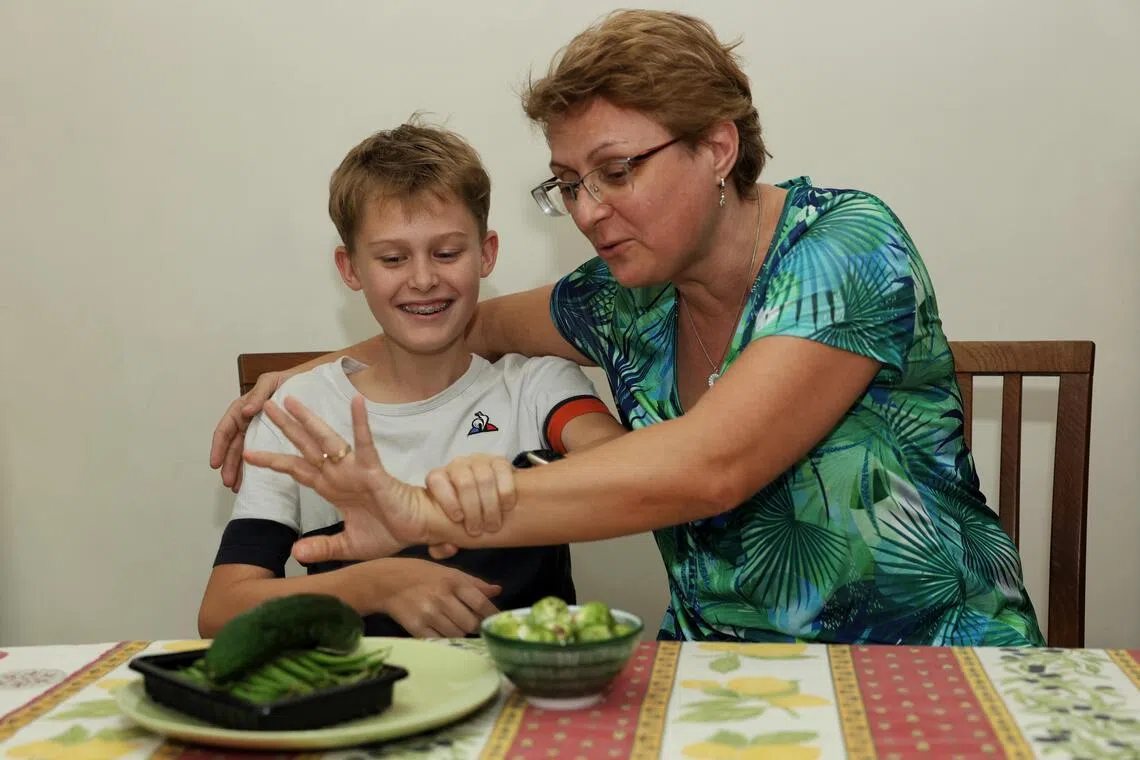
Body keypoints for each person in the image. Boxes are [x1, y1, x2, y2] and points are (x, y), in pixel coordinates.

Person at [213, 10, 1044, 647]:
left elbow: (708, 469)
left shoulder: (846, 247)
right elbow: (464, 320)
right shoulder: (624, 292)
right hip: (714, 674)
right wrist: (311, 372)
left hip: (931, 662)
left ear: (718, 146)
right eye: (567, 183)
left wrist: (425, 512)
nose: (586, 211)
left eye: (615, 172)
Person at [198, 122, 623, 640]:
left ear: (486, 253)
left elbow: (625, 467)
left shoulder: (538, 385)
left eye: (446, 253)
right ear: (350, 268)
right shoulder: (298, 412)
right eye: (393, 258)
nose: (423, 279)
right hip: (362, 700)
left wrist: (514, 486)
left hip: (525, 700)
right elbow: (222, 609)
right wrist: (375, 584)